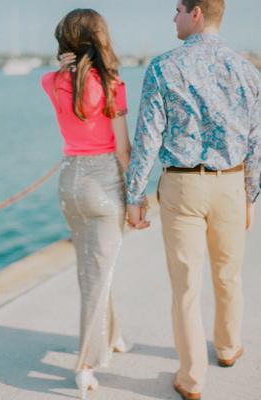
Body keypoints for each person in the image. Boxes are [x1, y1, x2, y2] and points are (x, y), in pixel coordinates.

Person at [126, 0, 261, 399]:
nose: (174, 18)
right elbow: (256, 142)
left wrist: (135, 195)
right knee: (228, 276)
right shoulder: (247, 70)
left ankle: (192, 380)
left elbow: (148, 137)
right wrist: (250, 195)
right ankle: (228, 348)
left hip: (182, 187)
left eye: (179, 10)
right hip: (231, 185)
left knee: (186, 287)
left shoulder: (163, 66)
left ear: (197, 12)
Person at [41, 9, 146, 399]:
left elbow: (53, 77)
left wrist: (62, 67)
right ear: (99, 38)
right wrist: (139, 194)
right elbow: (123, 149)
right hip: (103, 183)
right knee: (96, 276)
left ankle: (114, 336)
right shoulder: (113, 83)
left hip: (69, 182)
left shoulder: (51, 82)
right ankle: (84, 365)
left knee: (94, 268)